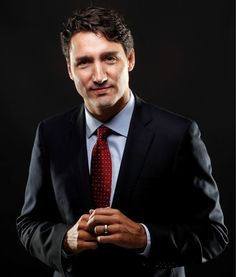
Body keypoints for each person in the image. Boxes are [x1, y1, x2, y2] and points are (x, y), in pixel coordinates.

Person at [16, 6, 228, 277]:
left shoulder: (178, 134)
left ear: (130, 59)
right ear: (69, 69)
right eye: (84, 62)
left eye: (109, 59)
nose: (99, 75)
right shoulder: (50, 134)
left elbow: (213, 234)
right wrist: (64, 240)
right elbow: (29, 224)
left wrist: (144, 237)